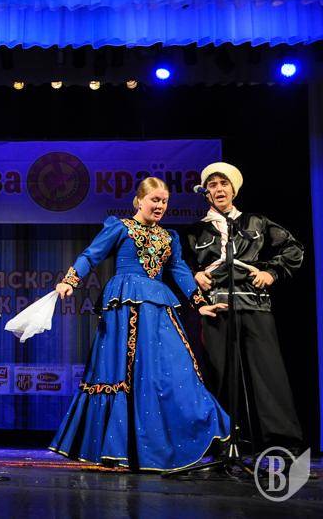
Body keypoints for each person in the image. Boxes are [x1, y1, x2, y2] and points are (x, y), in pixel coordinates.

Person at [50, 177, 230, 472]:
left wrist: (199, 303)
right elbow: (91, 255)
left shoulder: (169, 237)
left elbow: (179, 270)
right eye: (155, 200)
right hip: (126, 306)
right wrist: (71, 279)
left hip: (158, 307)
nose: (160, 206)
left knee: (175, 369)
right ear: (139, 200)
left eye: (164, 201)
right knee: (125, 372)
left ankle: (196, 434)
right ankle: (122, 449)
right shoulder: (120, 227)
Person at [186, 162, 304, 451]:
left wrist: (271, 272)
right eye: (212, 185)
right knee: (220, 375)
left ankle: (279, 444)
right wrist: (194, 276)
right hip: (217, 309)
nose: (219, 189)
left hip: (255, 306)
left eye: (223, 184)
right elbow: (178, 265)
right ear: (206, 193)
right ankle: (224, 442)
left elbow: (294, 248)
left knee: (267, 375)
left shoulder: (256, 222)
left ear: (234, 190)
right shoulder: (196, 231)